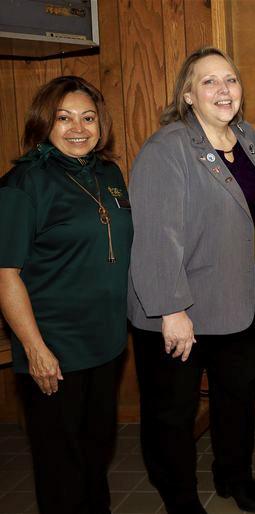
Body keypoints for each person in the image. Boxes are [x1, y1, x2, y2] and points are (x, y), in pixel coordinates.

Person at [127, 47, 255, 514]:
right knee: (173, 414)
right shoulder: (167, 147)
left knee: (236, 401)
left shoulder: (246, 137)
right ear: (188, 95)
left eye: (229, 80)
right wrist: (172, 311)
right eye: (208, 82)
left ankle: (235, 476)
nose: (223, 90)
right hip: (178, 310)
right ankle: (179, 496)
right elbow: (155, 236)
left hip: (237, 304)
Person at [0, 76, 132, 514]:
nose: (79, 128)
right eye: (64, 117)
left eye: (88, 117)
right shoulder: (24, 182)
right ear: (45, 122)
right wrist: (35, 350)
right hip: (54, 350)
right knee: (61, 465)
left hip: (107, 345)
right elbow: (7, 275)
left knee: (96, 455)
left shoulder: (109, 173)